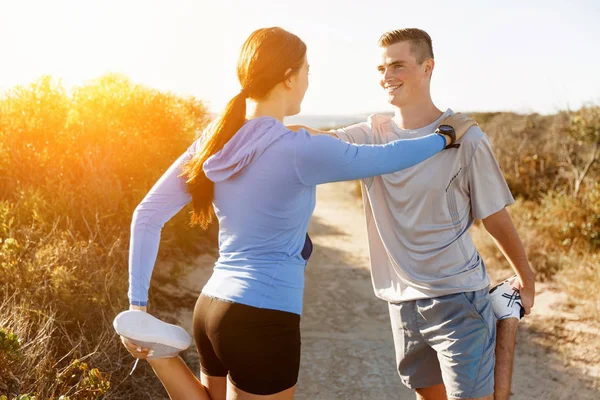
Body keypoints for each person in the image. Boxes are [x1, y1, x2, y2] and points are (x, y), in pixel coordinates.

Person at [117, 26, 476, 400]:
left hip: (211, 308)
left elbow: (147, 214)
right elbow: (389, 158)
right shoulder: (298, 149)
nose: (308, 81)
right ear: (288, 78)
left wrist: (137, 305)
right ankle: (159, 353)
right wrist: (445, 136)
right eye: (307, 71)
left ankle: (160, 354)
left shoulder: (214, 140)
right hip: (261, 316)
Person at [292, 28, 535, 400]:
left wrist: (526, 277)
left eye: (398, 66)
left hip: (459, 299)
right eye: (382, 67)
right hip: (402, 303)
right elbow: (313, 140)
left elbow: (494, 216)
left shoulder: (466, 138)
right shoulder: (372, 134)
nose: (387, 76)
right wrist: (256, 127)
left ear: (427, 67)